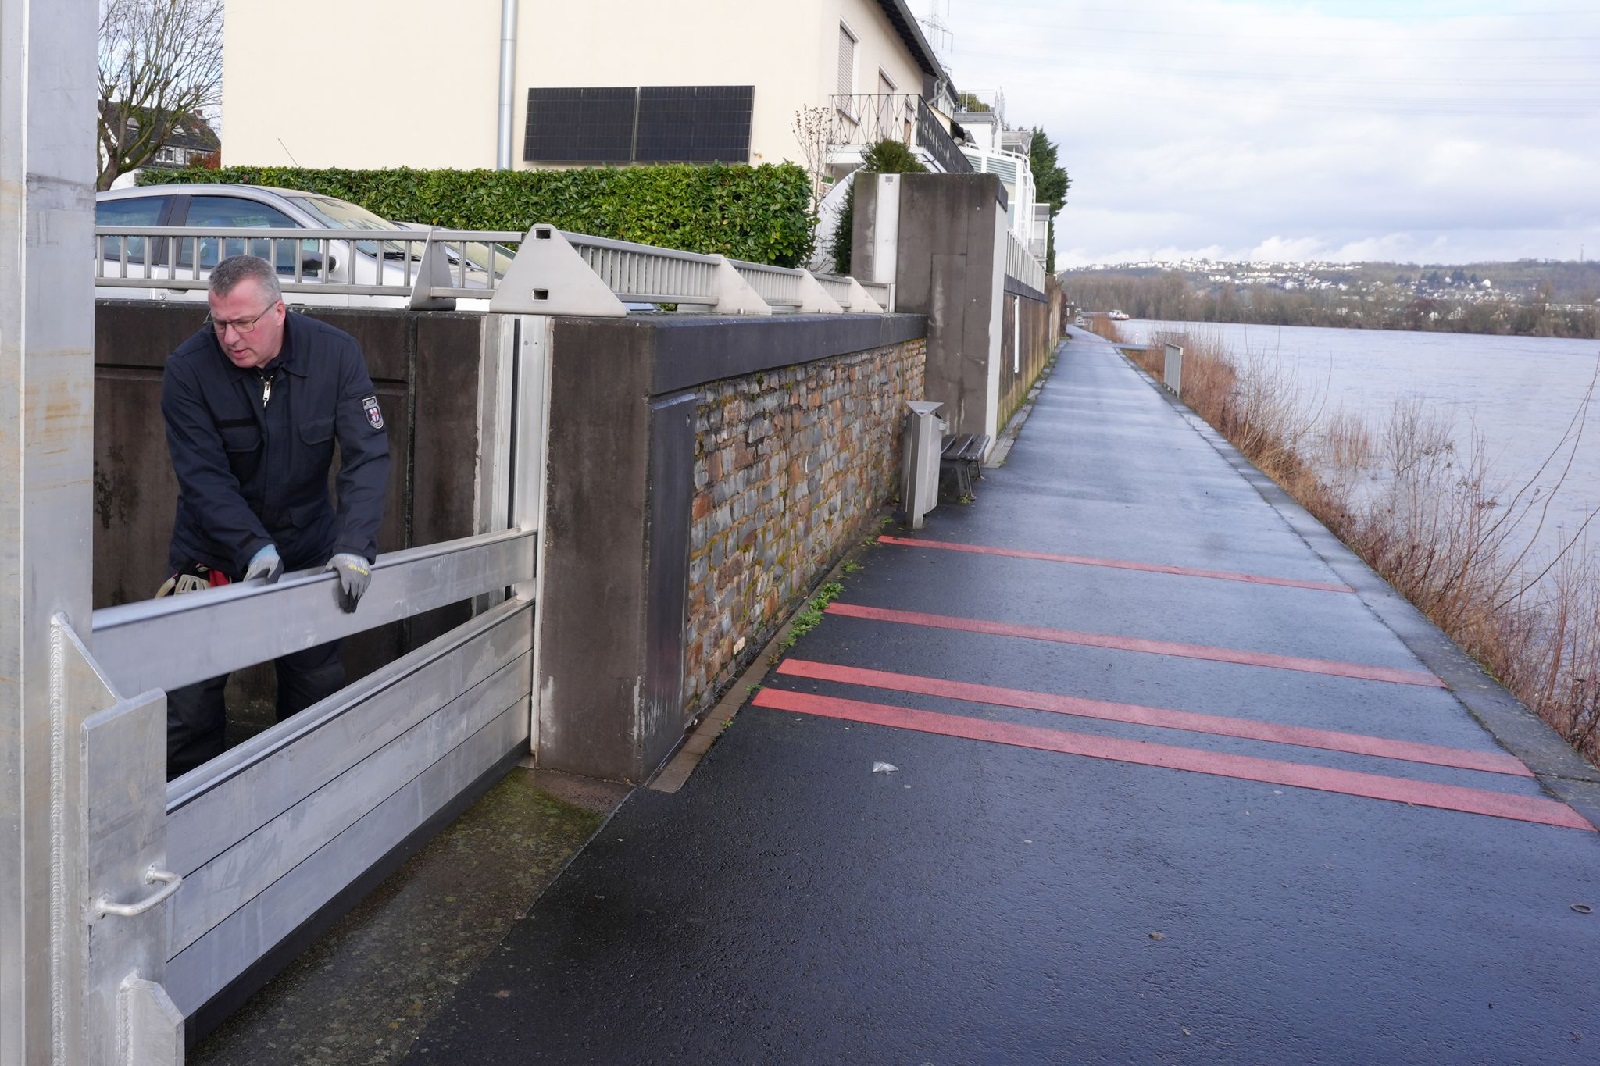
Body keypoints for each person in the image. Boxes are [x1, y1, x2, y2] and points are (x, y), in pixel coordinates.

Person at [161, 254, 391, 778]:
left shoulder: (335, 355)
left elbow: (366, 456)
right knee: (189, 705)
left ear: (279, 311)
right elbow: (203, 477)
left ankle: (307, 811)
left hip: (309, 547)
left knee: (314, 694)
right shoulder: (189, 370)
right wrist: (250, 547)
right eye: (219, 322)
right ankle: (189, 822)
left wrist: (355, 545)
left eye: (244, 322)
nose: (230, 337)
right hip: (213, 554)